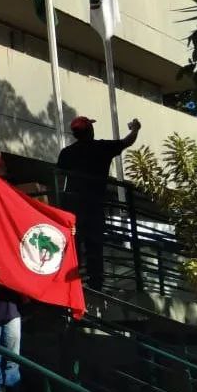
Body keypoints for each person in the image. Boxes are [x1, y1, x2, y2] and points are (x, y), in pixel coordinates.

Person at [57, 116, 141, 291]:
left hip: (72, 206)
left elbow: (58, 177)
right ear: (90, 131)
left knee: (73, 244)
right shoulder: (102, 147)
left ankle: (72, 283)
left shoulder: (66, 153)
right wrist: (135, 128)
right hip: (94, 204)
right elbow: (127, 141)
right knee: (94, 245)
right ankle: (95, 284)